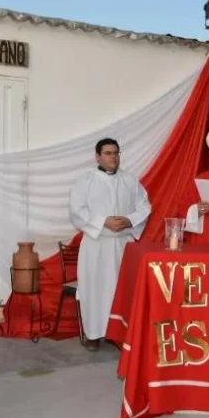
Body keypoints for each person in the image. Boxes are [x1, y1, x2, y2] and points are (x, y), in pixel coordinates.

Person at [69, 138, 151, 351]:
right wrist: (103, 221)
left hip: (122, 244)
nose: (113, 157)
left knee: (121, 290)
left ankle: (118, 333)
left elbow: (144, 206)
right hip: (96, 244)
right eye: (108, 153)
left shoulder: (130, 180)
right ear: (97, 156)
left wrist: (129, 220)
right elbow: (77, 210)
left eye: (116, 152)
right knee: (94, 289)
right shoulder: (85, 181)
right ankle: (93, 334)